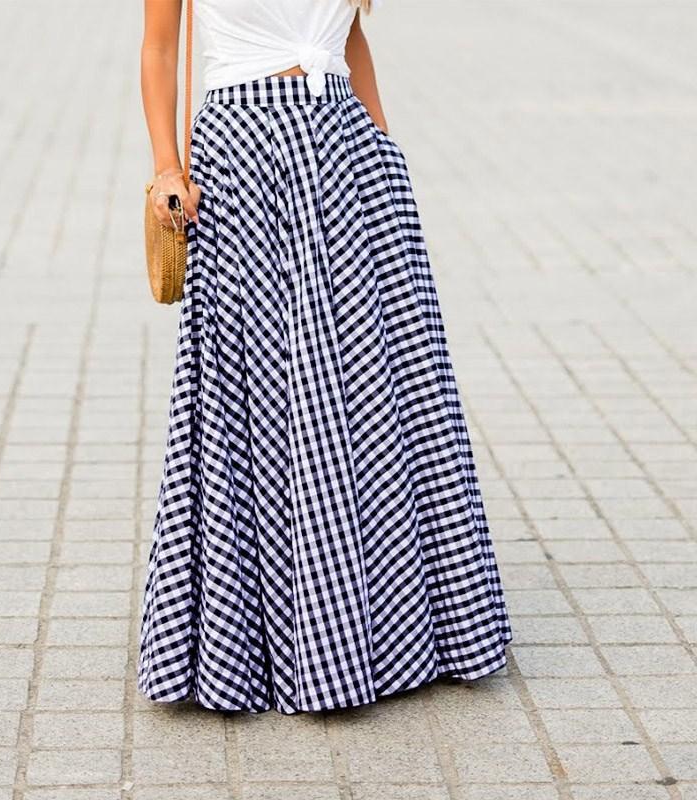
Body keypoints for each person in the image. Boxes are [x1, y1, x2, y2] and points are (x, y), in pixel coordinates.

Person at [137, 0, 513, 715]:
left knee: (380, 391)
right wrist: (166, 168)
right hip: (243, 158)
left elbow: (351, 38)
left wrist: (386, 150)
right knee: (268, 392)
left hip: (350, 158)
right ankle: (280, 636)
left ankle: (397, 629)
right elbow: (158, 49)